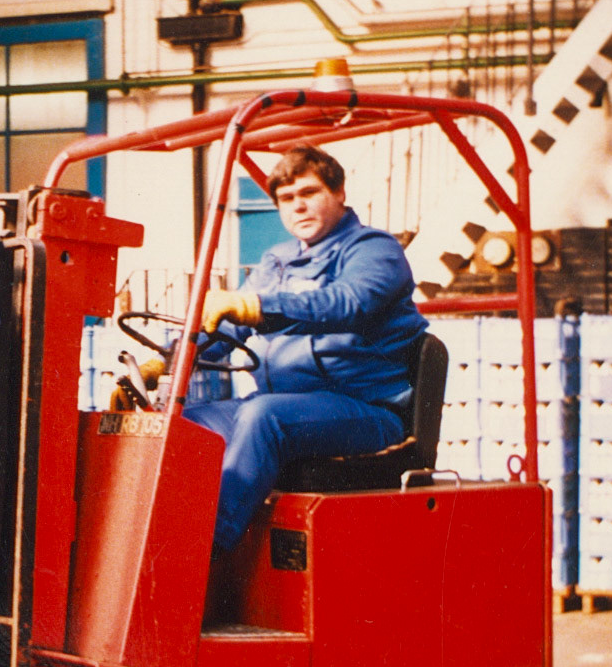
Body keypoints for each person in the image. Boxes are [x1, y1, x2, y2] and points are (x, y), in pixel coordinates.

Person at [171, 144, 428, 557]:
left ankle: (203, 561)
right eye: (287, 199)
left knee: (262, 417)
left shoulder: (375, 251)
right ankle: (162, 545)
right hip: (284, 404)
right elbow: (224, 324)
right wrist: (163, 361)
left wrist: (259, 307)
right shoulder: (278, 261)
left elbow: (347, 302)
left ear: (339, 192)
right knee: (178, 423)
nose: (299, 207)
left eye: (309, 193)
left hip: (363, 410)